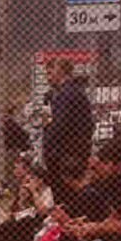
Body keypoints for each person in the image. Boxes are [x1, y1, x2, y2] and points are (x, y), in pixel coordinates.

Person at [43, 59, 94, 195]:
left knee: (64, 195)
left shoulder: (67, 94)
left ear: (61, 72)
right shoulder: (72, 92)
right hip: (72, 151)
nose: (48, 78)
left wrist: (48, 145)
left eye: (50, 73)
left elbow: (60, 126)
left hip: (66, 154)